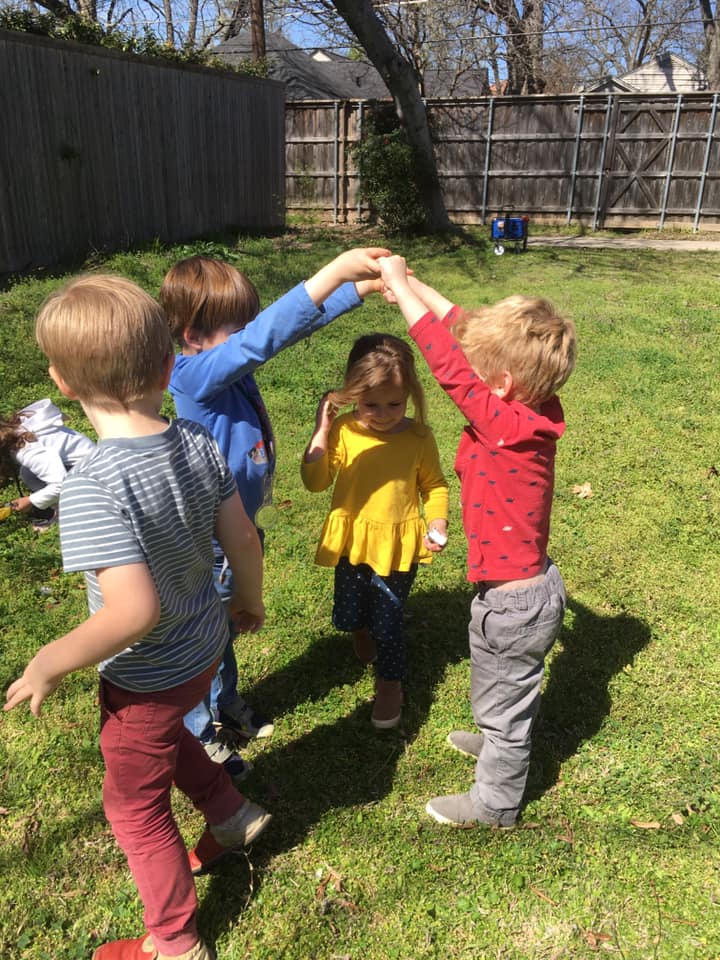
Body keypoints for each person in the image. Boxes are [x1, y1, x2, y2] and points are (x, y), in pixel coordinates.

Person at [4, 274, 272, 960]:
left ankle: (174, 942)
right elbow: (242, 538)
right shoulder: (196, 445)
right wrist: (248, 600)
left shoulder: (92, 486)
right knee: (171, 741)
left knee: (134, 808)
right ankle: (231, 812)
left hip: (146, 675)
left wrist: (49, 660)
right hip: (203, 646)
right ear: (165, 367)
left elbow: (131, 613)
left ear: (61, 383)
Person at [160, 247, 390, 774]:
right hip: (209, 540)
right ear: (193, 335)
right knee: (203, 641)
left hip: (237, 528)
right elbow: (268, 335)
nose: (249, 337)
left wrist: (359, 291)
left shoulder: (225, 366)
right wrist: (333, 272)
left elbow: (281, 332)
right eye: (235, 328)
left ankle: (225, 705)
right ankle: (199, 735)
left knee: (225, 633)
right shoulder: (191, 375)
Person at [378, 256, 576, 828]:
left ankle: (495, 803)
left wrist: (399, 290)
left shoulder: (504, 424)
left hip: (514, 605)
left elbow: (448, 364)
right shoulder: (530, 406)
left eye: (481, 367)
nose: (469, 360)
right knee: (497, 685)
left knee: (507, 704)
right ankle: (495, 735)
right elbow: (462, 328)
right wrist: (409, 285)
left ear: (503, 385)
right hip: (515, 591)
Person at [301, 332, 449, 729]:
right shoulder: (346, 431)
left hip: (398, 544)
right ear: (353, 396)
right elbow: (316, 482)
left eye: (394, 404)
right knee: (351, 614)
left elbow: (433, 486)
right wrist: (321, 429)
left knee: (389, 624)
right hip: (352, 540)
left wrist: (437, 521)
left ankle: (389, 684)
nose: (383, 413)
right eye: (371, 404)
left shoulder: (418, 437)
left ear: (411, 396)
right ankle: (360, 630)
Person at [0, 397, 95, 530]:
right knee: (27, 473)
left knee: (30, 475)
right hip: (77, 463)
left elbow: (60, 484)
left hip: (93, 472)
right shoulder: (13, 435)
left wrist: (30, 500)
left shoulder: (28, 451)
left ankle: (68, 511)